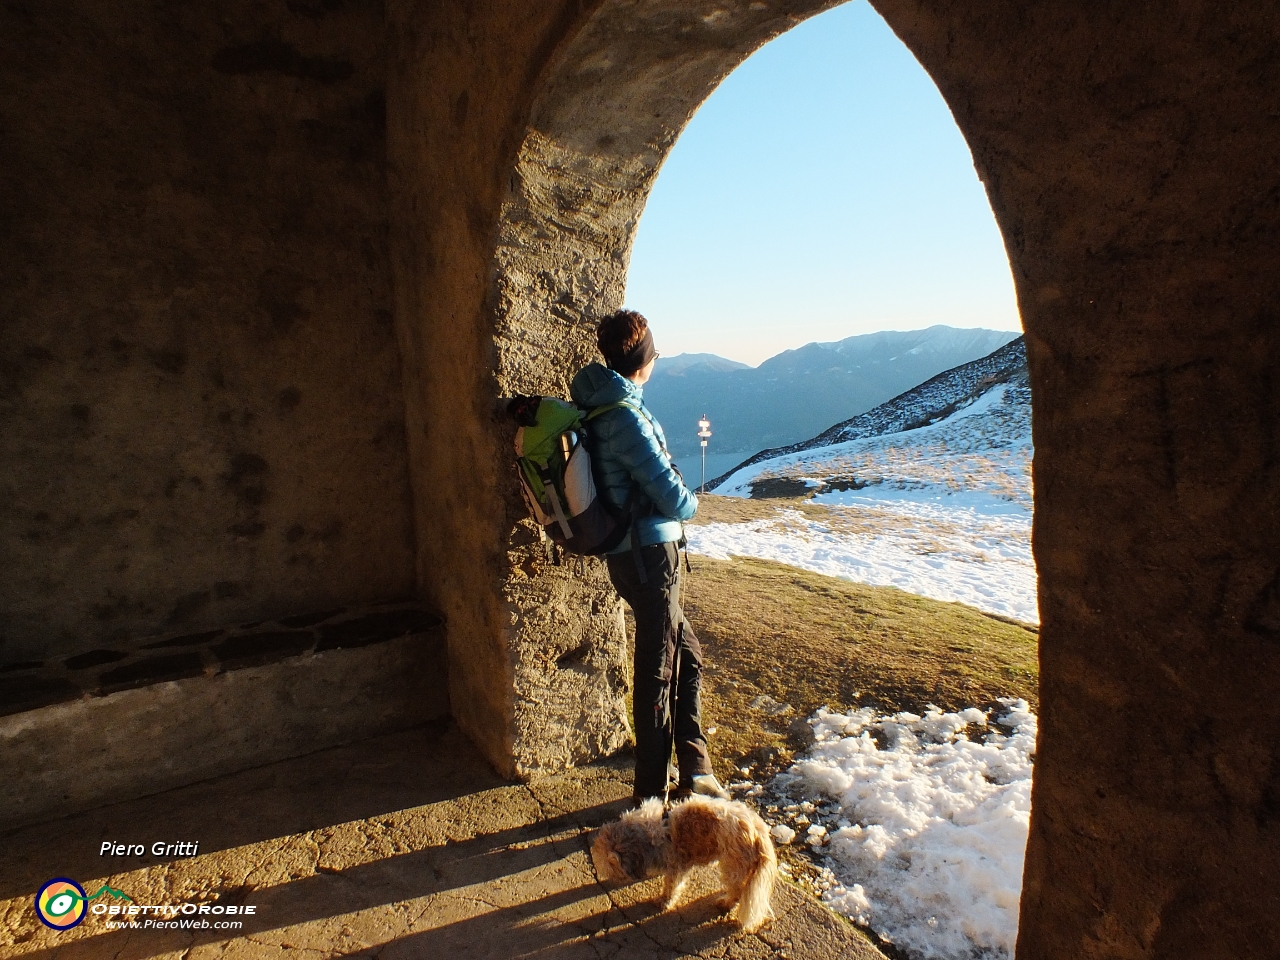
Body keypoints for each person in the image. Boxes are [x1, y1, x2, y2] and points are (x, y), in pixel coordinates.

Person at [570, 308, 730, 805]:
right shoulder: (623, 416)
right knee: (658, 670)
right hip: (650, 557)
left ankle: (695, 767)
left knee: (688, 656)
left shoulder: (600, 408)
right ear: (643, 359)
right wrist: (692, 501)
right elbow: (675, 497)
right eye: (654, 354)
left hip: (630, 555)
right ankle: (650, 796)